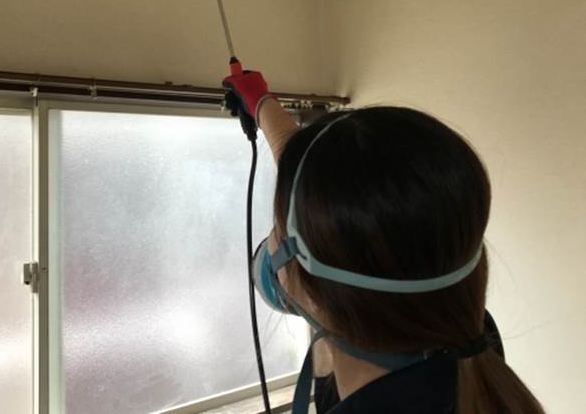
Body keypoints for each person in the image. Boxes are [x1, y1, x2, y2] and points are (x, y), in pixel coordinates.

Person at [222, 66, 545, 413]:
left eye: (278, 227)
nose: (270, 241)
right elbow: (345, 205)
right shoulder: (468, 342)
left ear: (316, 296)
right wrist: (262, 104)